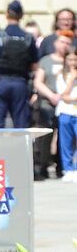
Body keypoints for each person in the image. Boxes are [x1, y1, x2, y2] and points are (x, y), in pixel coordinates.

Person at [0, 0, 39, 128]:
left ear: (7, 14)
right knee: (21, 124)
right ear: (21, 15)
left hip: (0, 83)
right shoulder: (28, 38)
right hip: (21, 84)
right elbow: (35, 66)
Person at [34, 31, 72, 179]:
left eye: (68, 43)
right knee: (45, 136)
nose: (64, 45)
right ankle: (41, 166)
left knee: (65, 137)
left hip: (67, 104)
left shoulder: (71, 61)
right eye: (62, 42)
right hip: (48, 102)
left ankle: (62, 167)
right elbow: (38, 82)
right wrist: (51, 95)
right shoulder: (46, 60)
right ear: (55, 43)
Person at [55, 51, 77, 182]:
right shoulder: (61, 75)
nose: (72, 63)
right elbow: (63, 95)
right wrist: (72, 79)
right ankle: (68, 169)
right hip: (65, 112)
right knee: (66, 142)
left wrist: (70, 98)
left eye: (75, 59)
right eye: (70, 59)